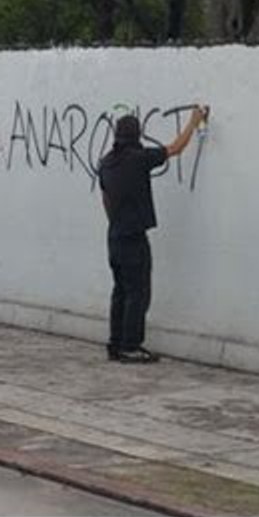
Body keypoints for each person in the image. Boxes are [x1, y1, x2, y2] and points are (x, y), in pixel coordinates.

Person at [99, 106, 208, 363]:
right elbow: (175, 148)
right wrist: (193, 122)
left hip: (114, 235)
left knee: (120, 290)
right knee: (138, 292)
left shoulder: (106, 162)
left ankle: (116, 344)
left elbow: (104, 198)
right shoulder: (139, 158)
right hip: (134, 236)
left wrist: (116, 222)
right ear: (137, 135)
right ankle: (131, 346)